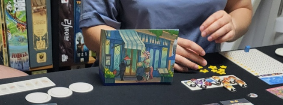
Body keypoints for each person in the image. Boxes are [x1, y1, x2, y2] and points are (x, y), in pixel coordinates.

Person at [81, 0, 253, 72]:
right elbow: (92, 31)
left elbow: (241, 7)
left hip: (205, 73)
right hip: (136, 72)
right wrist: (152, 50)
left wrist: (233, 24)